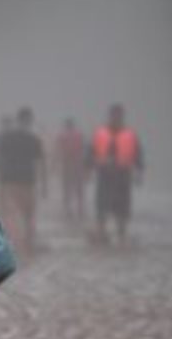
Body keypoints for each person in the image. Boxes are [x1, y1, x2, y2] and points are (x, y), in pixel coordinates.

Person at [0, 106, 45, 256]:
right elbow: (41, 162)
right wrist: (44, 184)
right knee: (27, 213)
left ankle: (16, 244)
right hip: (27, 181)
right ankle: (27, 244)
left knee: (13, 214)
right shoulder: (33, 139)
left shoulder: (7, 137)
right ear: (29, 121)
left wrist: (0, 179)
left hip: (10, 181)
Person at [89, 103, 145, 244]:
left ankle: (122, 236)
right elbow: (90, 153)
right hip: (105, 176)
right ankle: (101, 234)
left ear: (122, 117)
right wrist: (87, 170)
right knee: (102, 208)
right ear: (110, 116)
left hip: (123, 176)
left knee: (122, 210)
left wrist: (139, 173)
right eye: (114, 115)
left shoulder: (130, 135)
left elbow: (138, 155)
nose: (116, 118)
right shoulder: (100, 133)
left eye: (119, 115)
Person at [54, 117, 88, 220]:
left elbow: (58, 150)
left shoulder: (62, 136)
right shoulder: (79, 135)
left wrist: (55, 164)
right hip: (78, 164)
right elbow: (84, 149)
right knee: (79, 189)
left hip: (67, 164)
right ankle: (80, 209)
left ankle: (68, 210)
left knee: (67, 189)